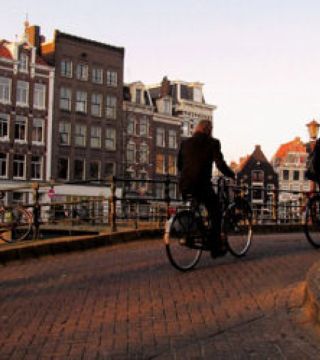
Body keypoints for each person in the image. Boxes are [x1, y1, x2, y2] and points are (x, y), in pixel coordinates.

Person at [177, 119, 235, 257]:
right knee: (216, 212)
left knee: (198, 207)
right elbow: (220, 164)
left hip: (185, 185)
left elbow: (179, 165)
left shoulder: (185, 143)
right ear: (209, 130)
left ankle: (200, 234)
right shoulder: (213, 143)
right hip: (201, 185)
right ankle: (215, 248)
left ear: (197, 129)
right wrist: (232, 174)